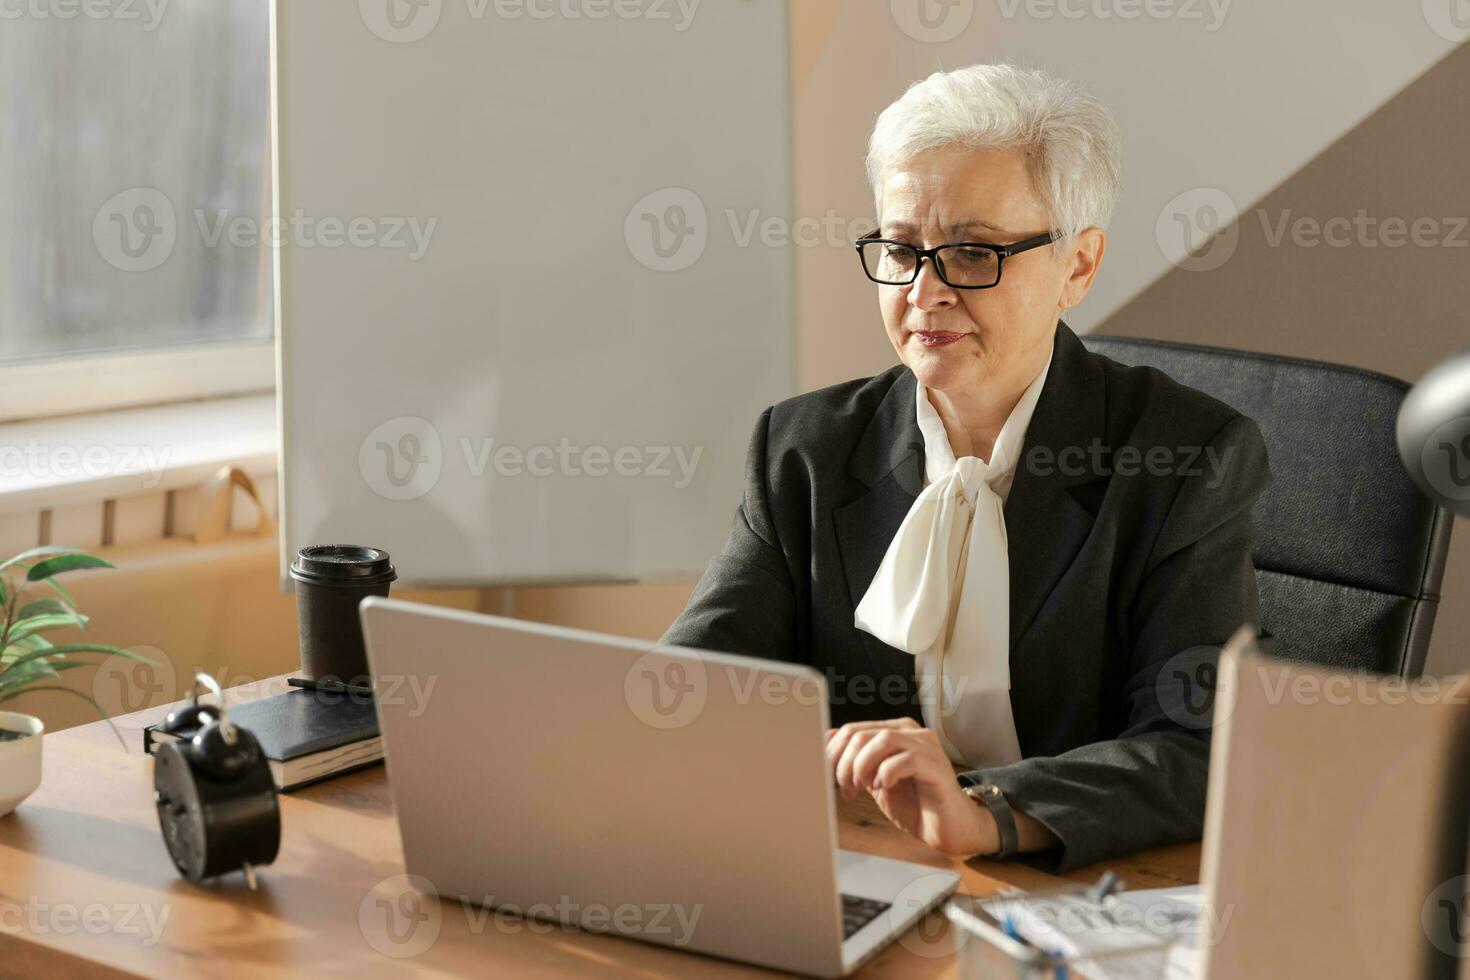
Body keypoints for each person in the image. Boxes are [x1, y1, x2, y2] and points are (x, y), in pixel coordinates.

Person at [660, 63, 1270, 873]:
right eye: (902, 249)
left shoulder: (1188, 458)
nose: (925, 291)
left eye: (973, 253)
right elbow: (691, 693)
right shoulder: (804, 449)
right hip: (871, 870)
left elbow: (1200, 750)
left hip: (1080, 892)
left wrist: (987, 810)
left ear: (1078, 267)